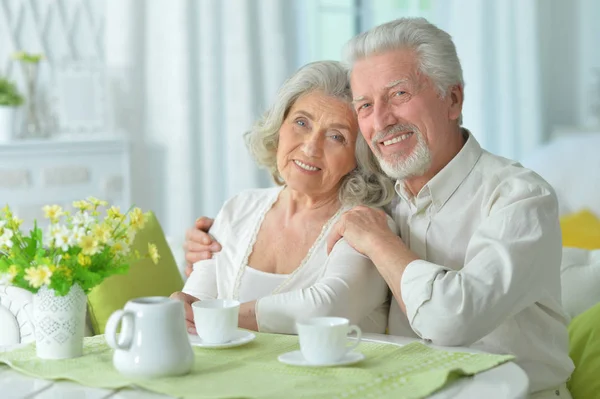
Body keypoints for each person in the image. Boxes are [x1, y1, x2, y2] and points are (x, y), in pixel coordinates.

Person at [184, 18, 574, 398]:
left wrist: (379, 242)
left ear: (452, 99)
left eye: (400, 94)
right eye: (366, 105)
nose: (382, 121)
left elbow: (452, 321)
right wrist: (204, 248)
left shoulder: (520, 197)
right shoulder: (381, 197)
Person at [172, 60, 395, 336]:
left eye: (337, 137)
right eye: (302, 123)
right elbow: (192, 311)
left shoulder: (365, 224)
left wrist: (212, 314)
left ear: (359, 157)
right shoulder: (239, 207)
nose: (311, 147)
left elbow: (325, 308)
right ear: (279, 127)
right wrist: (181, 306)